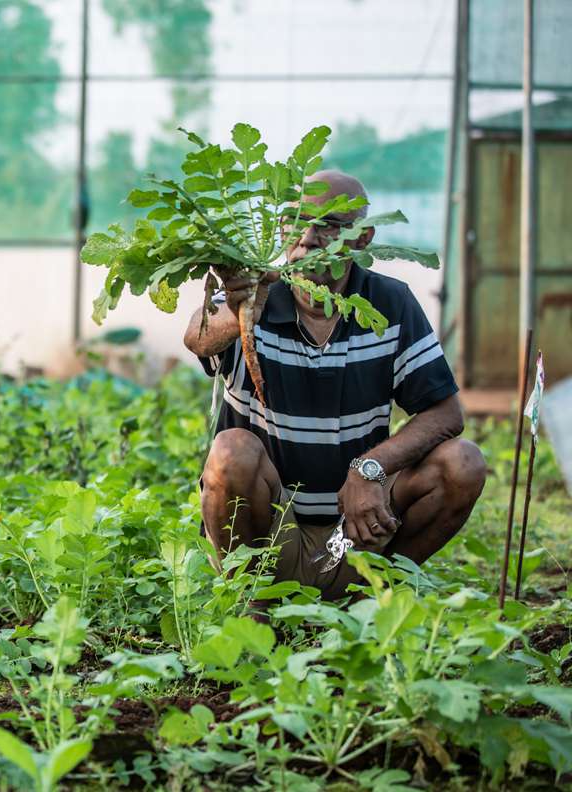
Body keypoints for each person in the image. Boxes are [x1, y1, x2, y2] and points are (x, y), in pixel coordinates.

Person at [184, 170, 486, 600]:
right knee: (231, 451)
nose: (308, 238)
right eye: (296, 223)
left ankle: (366, 593)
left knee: (463, 463)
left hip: (357, 536)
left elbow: (446, 414)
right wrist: (242, 311)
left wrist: (369, 468)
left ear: (363, 239)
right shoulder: (254, 293)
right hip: (267, 541)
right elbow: (197, 336)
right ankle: (252, 605)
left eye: (328, 226)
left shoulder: (390, 303)